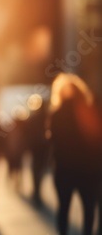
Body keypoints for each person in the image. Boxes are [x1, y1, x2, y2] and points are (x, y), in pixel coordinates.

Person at [46, 73, 102, 235]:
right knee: (89, 208)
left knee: (63, 207)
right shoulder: (90, 111)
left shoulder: (56, 115)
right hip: (89, 170)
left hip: (64, 170)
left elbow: (53, 142)